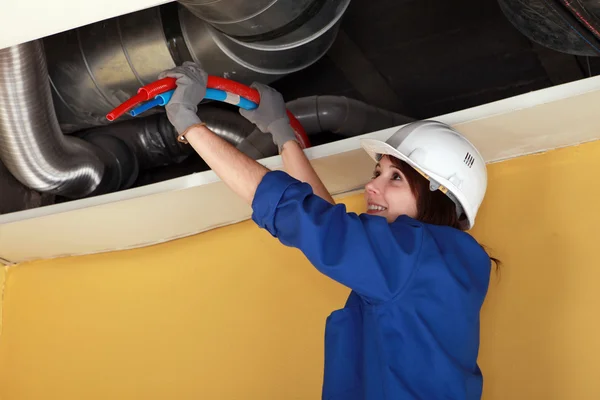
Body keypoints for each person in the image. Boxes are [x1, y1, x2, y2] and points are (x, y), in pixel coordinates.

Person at [158, 62, 494, 399]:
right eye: (377, 172)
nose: (371, 186)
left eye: (395, 178)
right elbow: (327, 221)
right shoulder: (438, 266)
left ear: (441, 197)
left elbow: (302, 214)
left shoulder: (416, 256)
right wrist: (283, 134)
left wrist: (190, 124)